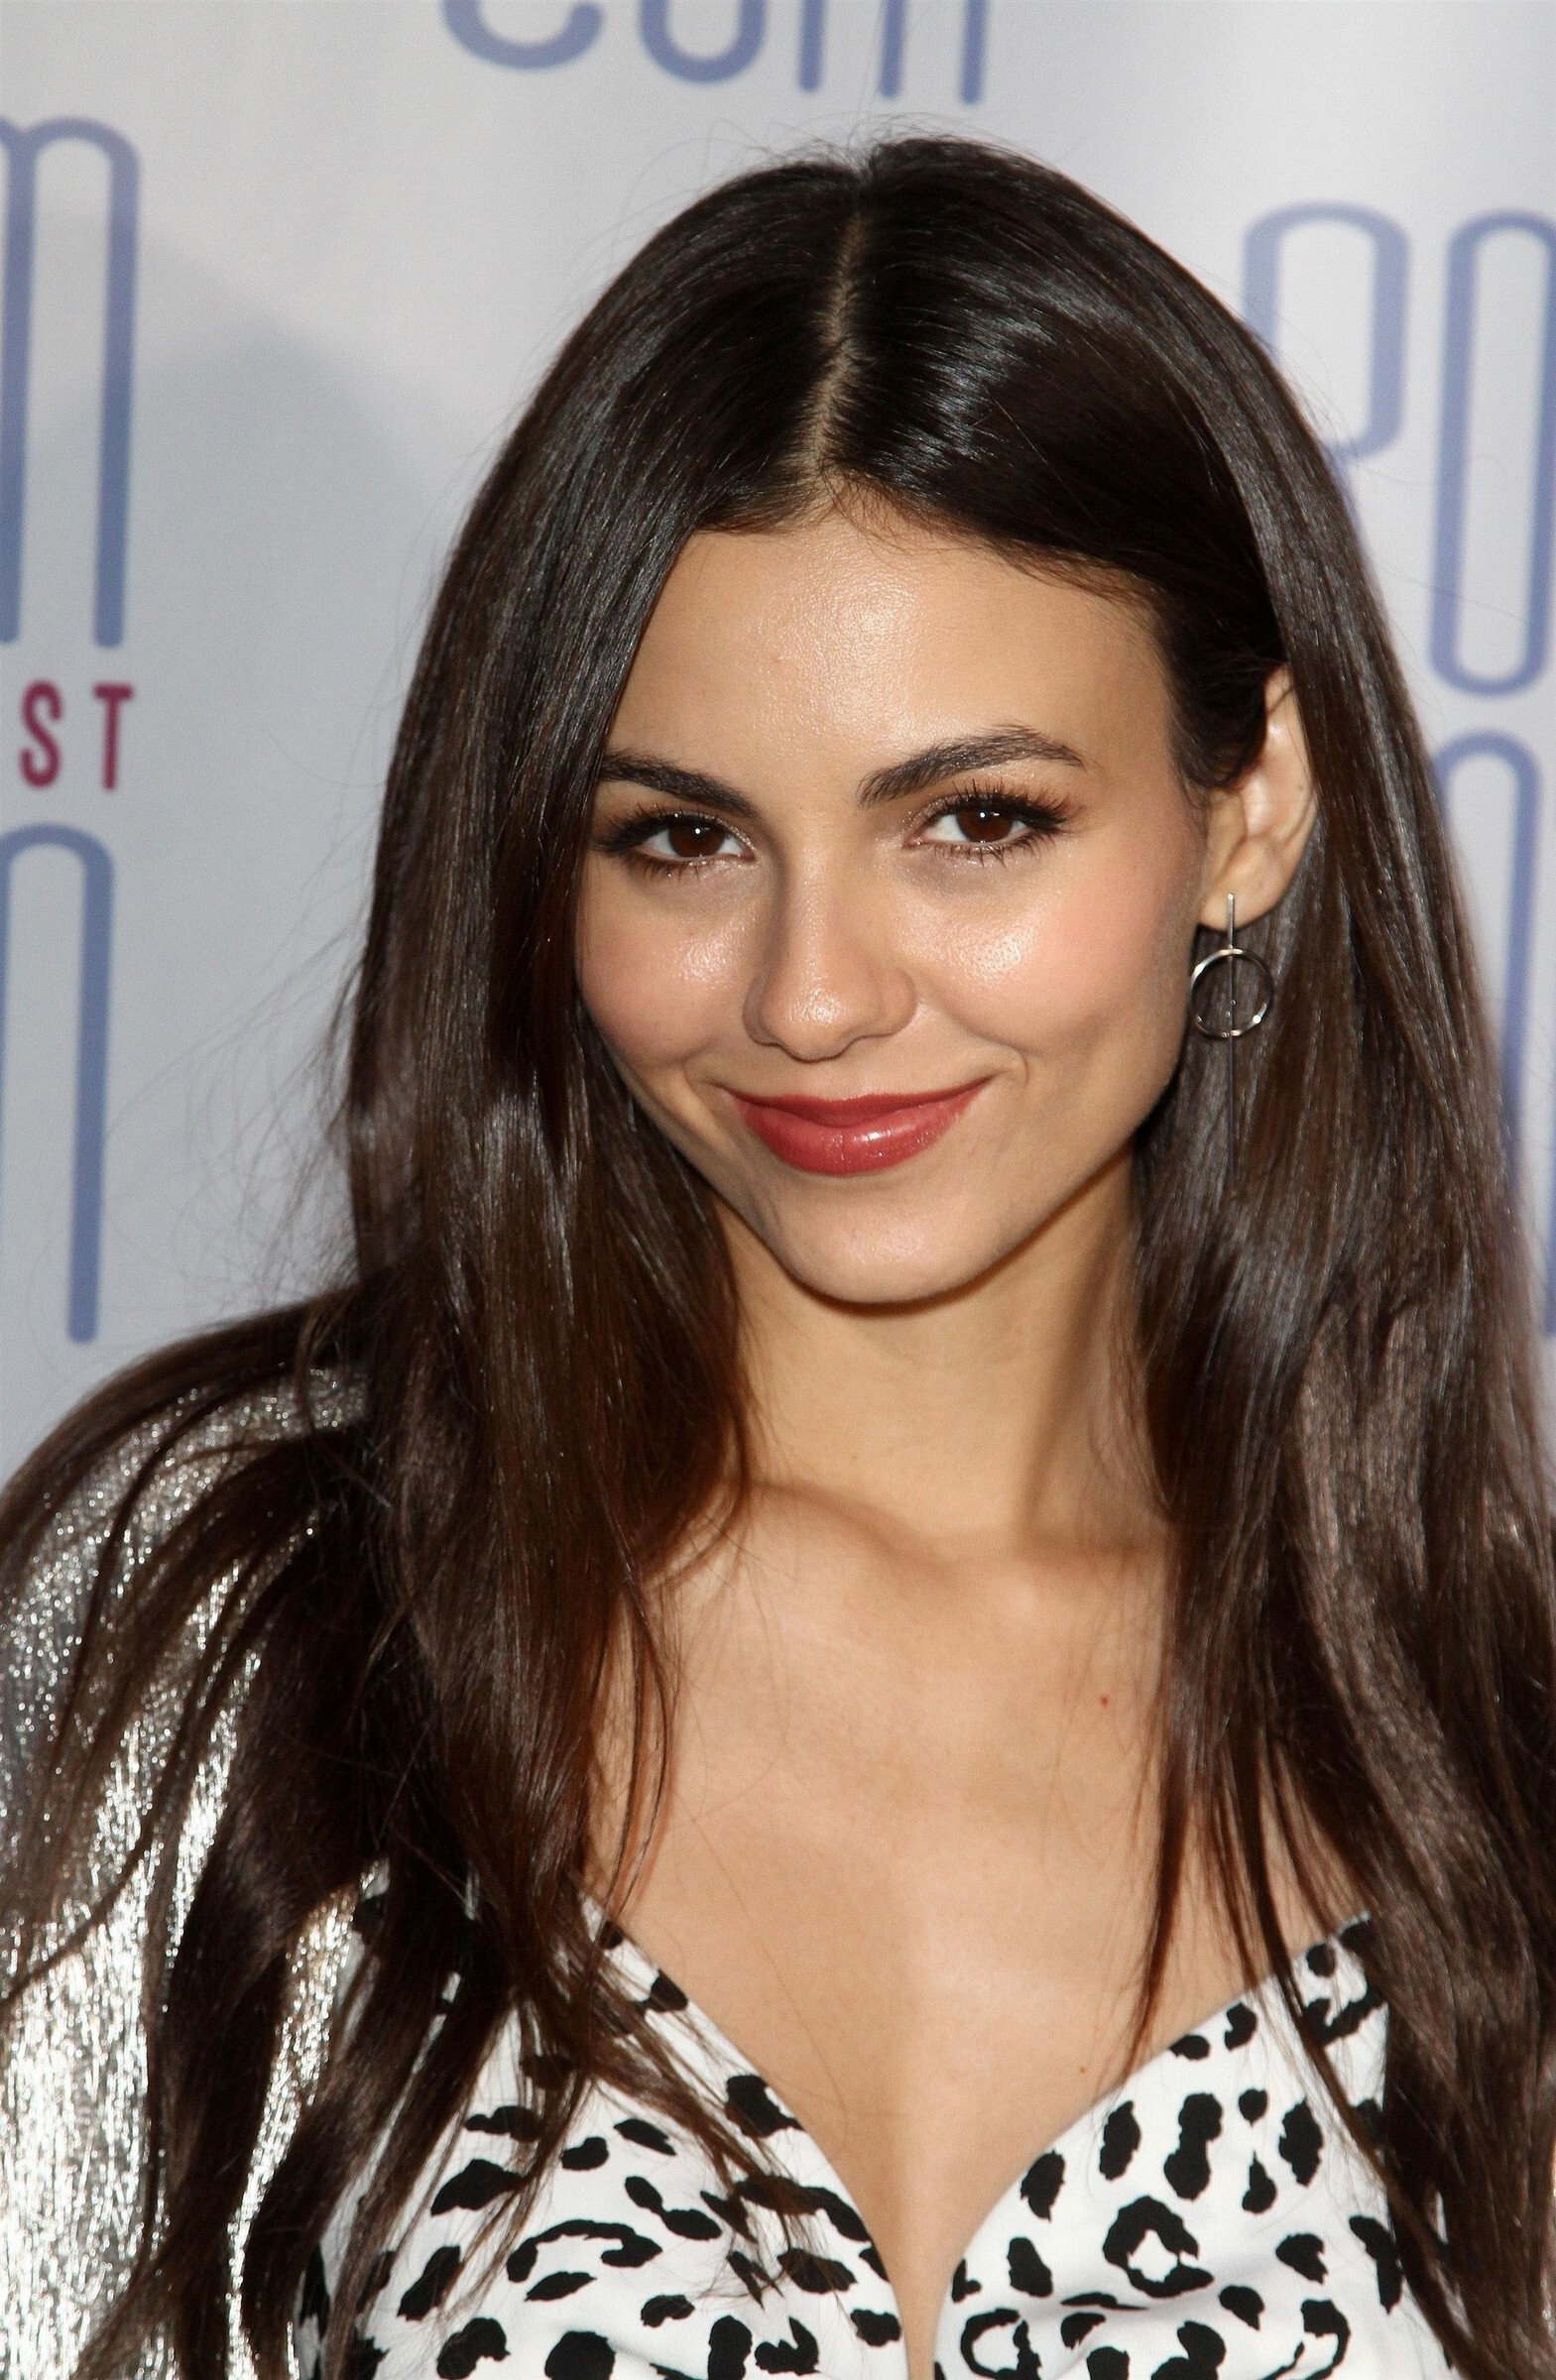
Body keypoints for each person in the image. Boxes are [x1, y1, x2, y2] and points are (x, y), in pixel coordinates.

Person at [2, 133, 1552, 2380]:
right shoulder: (246, 1627)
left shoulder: (1475, 1745)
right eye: (681, 838)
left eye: (975, 821)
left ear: (1248, 808)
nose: (811, 996)